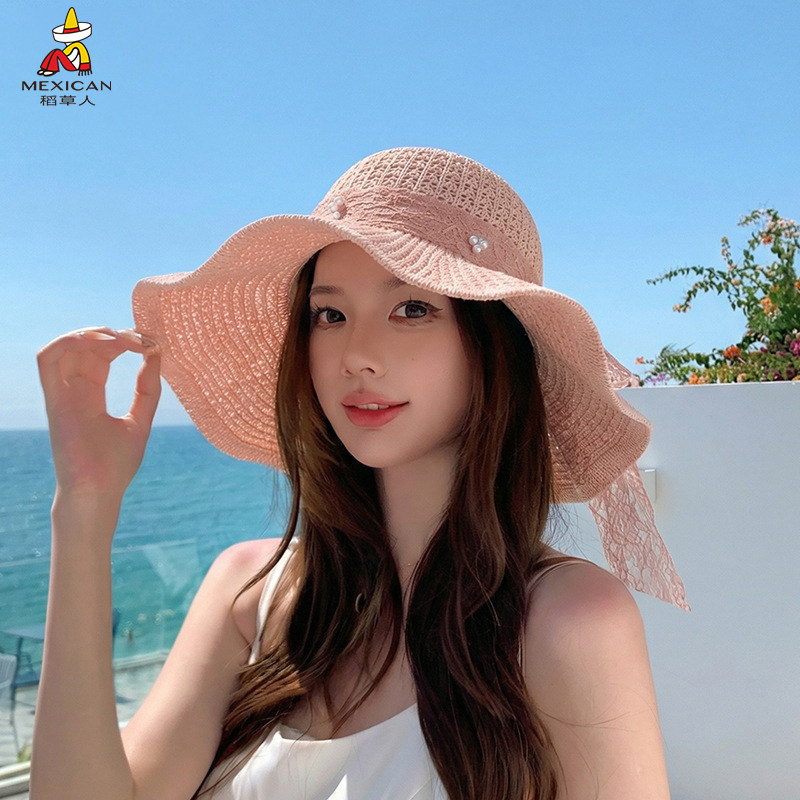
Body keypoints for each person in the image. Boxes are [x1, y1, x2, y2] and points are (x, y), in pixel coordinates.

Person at [32, 147, 687, 800]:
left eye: (412, 309)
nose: (357, 355)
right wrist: (84, 506)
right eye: (330, 315)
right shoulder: (249, 595)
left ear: (494, 345)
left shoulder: (566, 619)